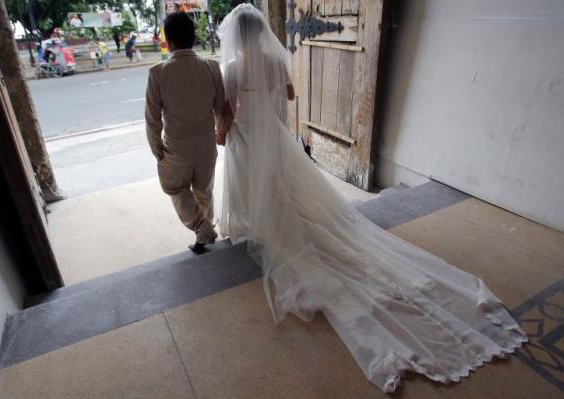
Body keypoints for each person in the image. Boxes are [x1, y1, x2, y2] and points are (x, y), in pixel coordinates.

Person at [215, 4, 526, 393]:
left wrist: (222, 132)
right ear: (261, 32)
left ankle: (263, 221)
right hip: (275, 138)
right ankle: (281, 214)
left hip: (249, 136)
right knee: (284, 184)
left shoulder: (231, 69)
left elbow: (229, 110)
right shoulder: (277, 61)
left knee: (256, 185)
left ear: (236, 36)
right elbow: (290, 96)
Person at [145, 12, 229, 254]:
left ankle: (202, 228)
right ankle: (205, 233)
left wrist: (157, 151)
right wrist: (219, 134)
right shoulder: (212, 67)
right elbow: (221, 107)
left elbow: (152, 119)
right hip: (205, 147)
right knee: (204, 192)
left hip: (176, 150)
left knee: (174, 188)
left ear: (168, 41)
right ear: (194, 38)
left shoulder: (158, 73)